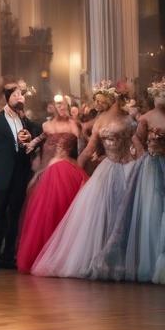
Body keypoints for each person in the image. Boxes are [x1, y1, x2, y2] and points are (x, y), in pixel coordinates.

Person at [31, 82, 137, 280]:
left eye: (100, 100)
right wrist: (76, 171)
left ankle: (122, 259)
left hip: (129, 167)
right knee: (104, 213)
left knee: (125, 212)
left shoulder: (128, 118)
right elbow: (88, 150)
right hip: (111, 168)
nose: (98, 104)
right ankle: (104, 258)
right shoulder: (102, 121)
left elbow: (134, 144)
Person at [95, 78, 165, 283]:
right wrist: (146, 154)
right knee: (152, 208)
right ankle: (150, 260)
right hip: (152, 166)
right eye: (160, 93)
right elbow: (136, 138)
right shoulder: (147, 117)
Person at [0, 83, 43, 271]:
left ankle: (8, 256)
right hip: (0, 175)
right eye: (16, 95)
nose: (20, 97)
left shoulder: (27, 123)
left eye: (22, 95)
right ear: (7, 97)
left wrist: (31, 138)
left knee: (14, 216)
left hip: (20, 174)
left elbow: (41, 132)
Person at [16, 130, 87, 273]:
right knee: (65, 212)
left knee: (51, 212)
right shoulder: (59, 136)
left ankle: (50, 254)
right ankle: (65, 256)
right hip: (70, 168)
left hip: (60, 168)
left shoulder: (55, 164)